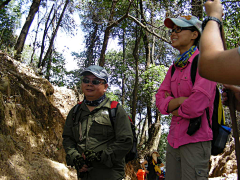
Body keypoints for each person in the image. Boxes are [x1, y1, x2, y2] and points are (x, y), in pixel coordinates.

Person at [155, 15, 217, 180]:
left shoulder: (204, 63)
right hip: (173, 141)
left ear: (194, 34)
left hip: (196, 141)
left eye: (179, 29)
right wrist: (182, 100)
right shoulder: (173, 68)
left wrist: (173, 107)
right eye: (172, 30)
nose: (173, 33)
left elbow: (196, 106)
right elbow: (160, 101)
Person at [62, 65, 133, 180]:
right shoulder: (75, 112)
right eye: (86, 80)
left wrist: (99, 157)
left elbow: (125, 141)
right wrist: (75, 158)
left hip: (110, 176)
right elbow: (68, 139)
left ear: (105, 87)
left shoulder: (115, 110)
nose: (89, 84)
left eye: (95, 81)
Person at [198, 0, 240, 85]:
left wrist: (214, 16)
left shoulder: (196, 59)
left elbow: (209, 65)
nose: (173, 33)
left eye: (179, 29)